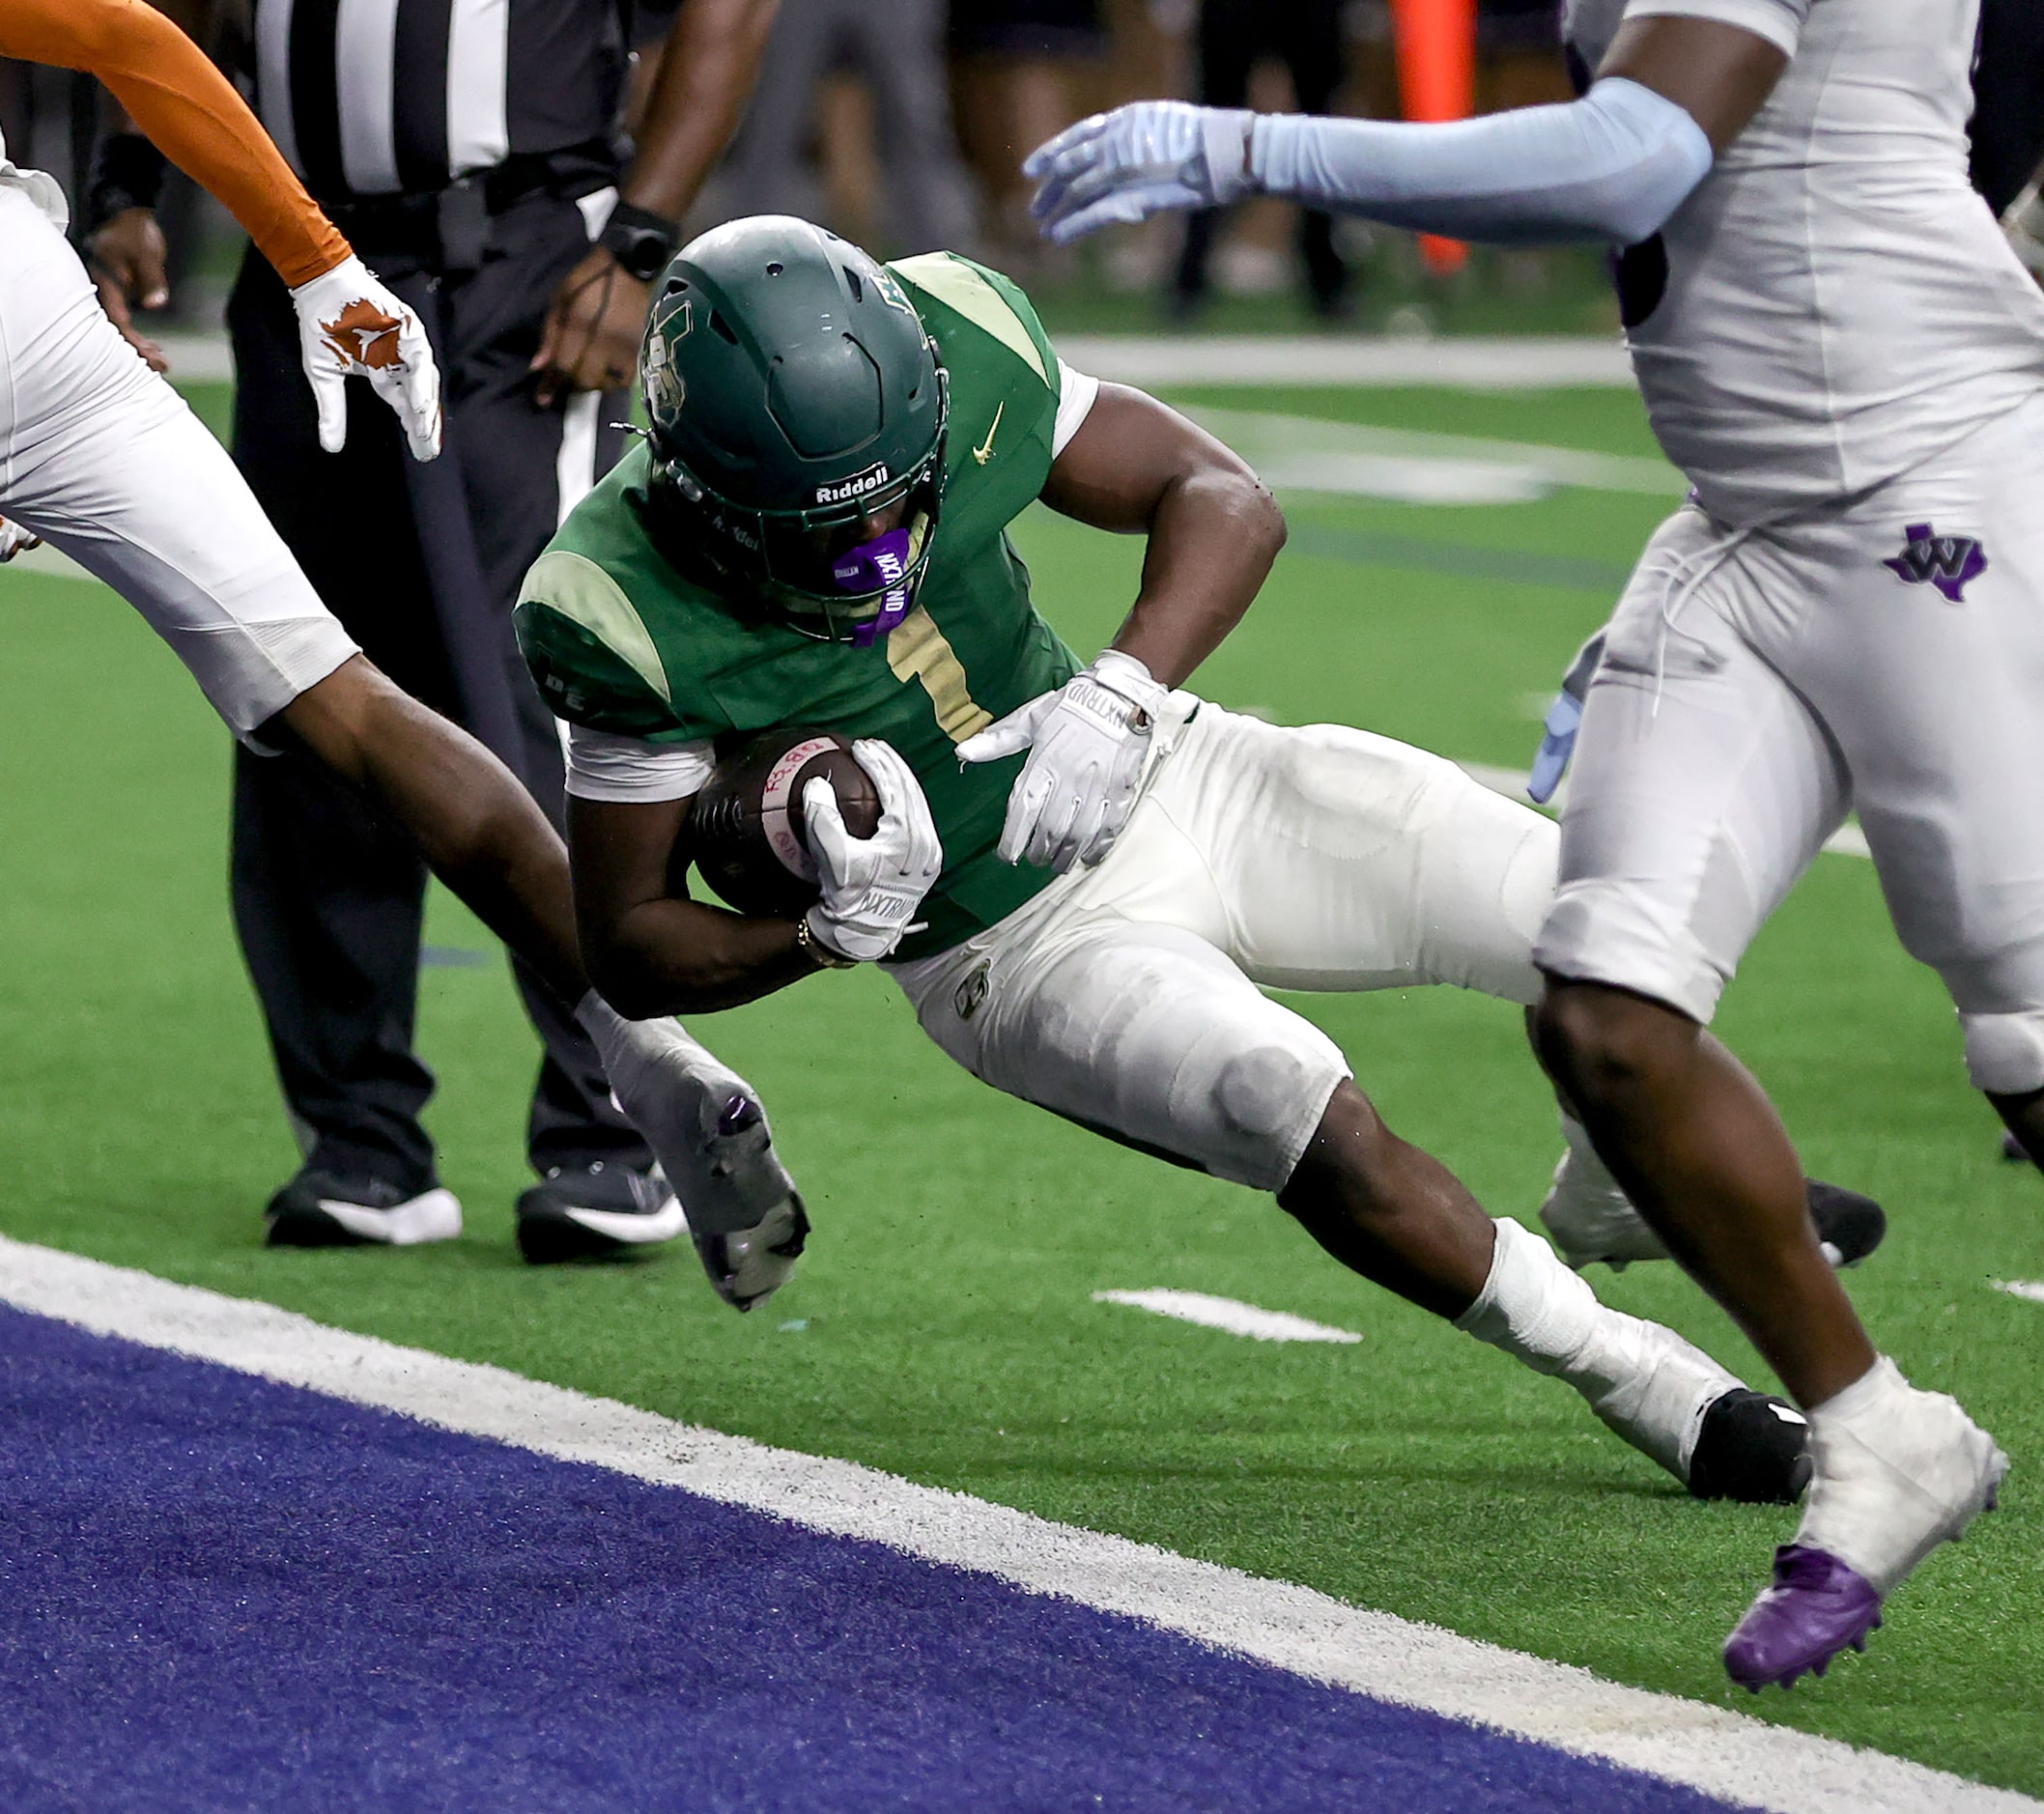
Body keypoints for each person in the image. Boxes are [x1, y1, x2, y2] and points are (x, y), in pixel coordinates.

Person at [514, 213, 1837, 1516]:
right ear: (698, 492)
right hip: (1007, 947)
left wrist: (1126, 692)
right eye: (826, 529)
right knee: (1278, 1095)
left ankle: (1609, 1188)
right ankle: (1643, 1378)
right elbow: (628, 937)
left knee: (1589, 915)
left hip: (1178, 771)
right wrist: (821, 932)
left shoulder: (961, 336)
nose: (882, 548)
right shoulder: (613, 601)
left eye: (900, 492)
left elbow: (1218, 492)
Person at [1021, 0, 2030, 1689]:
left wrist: (1244, 149)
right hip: (1754, 514)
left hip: (1932, 500)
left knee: (2029, 1054)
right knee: (1608, 1014)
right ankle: (1879, 1431)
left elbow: (1637, 157)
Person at [0, 0, 805, 1308]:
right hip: (54, 297)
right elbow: (138, 32)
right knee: (346, 708)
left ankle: (602, 1116)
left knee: (535, 675)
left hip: (511, 252)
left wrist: (642, 239)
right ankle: (558, 1073)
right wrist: (311, 262)